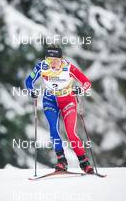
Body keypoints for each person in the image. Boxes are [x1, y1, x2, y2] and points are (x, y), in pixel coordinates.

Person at [25, 45, 94, 174]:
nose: (52, 64)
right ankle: (61, 161)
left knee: (71, 133)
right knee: (53, 130)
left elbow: (86, 82)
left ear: (61, 59)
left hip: (68, 101)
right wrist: (32, 90)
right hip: (50, 100)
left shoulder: (68, 67)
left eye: (55, 60)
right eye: (49, 60)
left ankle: (84, 162)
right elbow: (29, 81)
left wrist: (80, 89)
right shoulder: (42, 66)